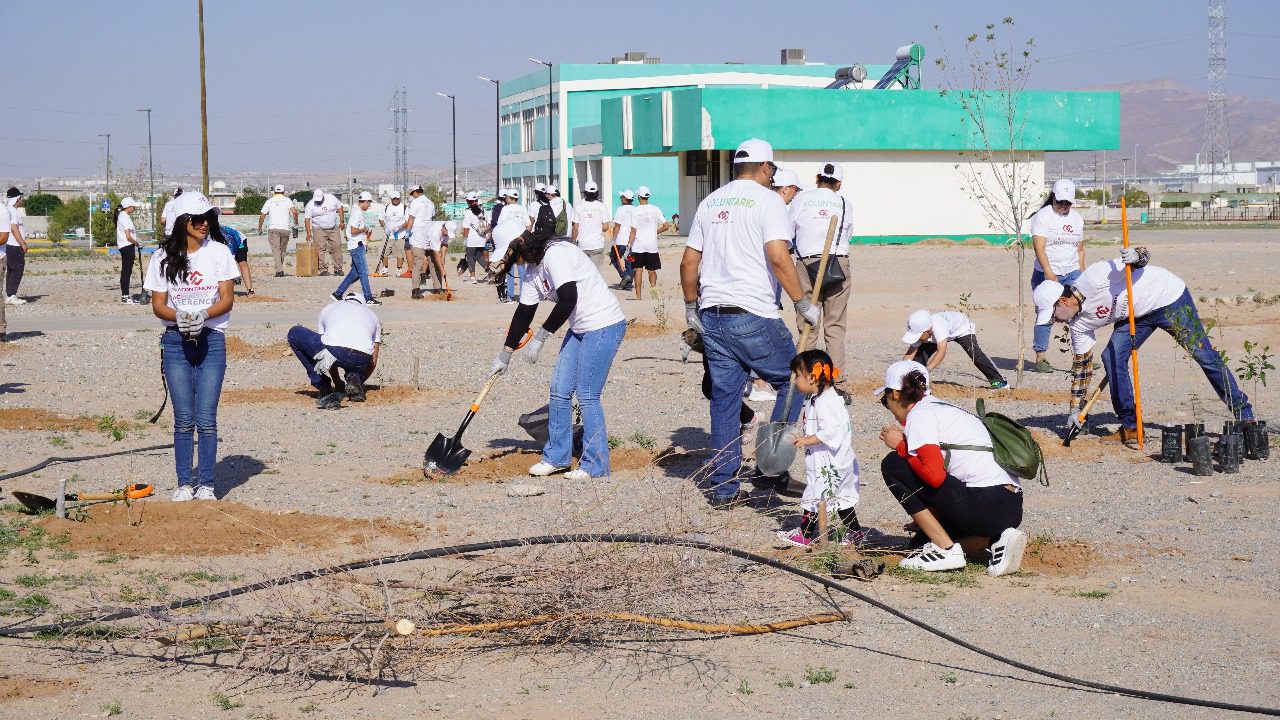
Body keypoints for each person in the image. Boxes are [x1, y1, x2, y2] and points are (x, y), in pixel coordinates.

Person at [681, 138, 819, 506]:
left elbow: (688, 262)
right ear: (764, 168)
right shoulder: (769, 201)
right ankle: (769, 469)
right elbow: (777, 257)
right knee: (795, 384)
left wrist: (690, 306)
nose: (772, 175)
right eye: (772, 169)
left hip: (713, 315)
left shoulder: (711, 201)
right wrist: (801, 302)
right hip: (753, 314)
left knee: (724, 402)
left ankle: (724, 489)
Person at [1034, 249, 1254, 443]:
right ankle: (1131, 426)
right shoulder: (1078, 325)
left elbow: (1142, 256)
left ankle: (1244, 415)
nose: (1056, 322)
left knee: (1204, 355)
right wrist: (1075, 408)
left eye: (1053, 316)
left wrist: (1137, 256)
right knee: (1112, 357)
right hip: (1136, 317)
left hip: (1168, 298)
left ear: (1063, 301)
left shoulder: (1094, 277)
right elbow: (1082, 368)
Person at [490, 214, 626, 481]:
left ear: (519, 245)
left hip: (604, 324)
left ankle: (596, 465)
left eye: (508, 255)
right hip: (580, 328)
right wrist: (505, 354)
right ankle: (557, 457)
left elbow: (568, 299)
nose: (509, 263)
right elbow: (523, 314)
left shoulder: (557, 254)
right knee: (559, 389)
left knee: (587, 394)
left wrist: (542, 336)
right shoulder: (531, 270)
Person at [875, 361, 1027, 576]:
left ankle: (946, 550)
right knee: (918, 547)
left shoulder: (921, 415)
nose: (888, 405)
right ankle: (995, 539)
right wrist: (929, 516)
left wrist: (901, 446)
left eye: (885, 399)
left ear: (896, 395)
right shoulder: (943, 408)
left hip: (986, 504)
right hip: (1008, 505)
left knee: (893, 464)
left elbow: (935, 477)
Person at [142, 191, 239, 502]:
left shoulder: (221, 253)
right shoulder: (161, 258)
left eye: (207, 218)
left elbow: (227, 298)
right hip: (175, 342)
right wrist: (181, 317)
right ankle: (184, 483)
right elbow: (158, 305)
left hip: (212, 340)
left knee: (206, 419)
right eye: (197, 219)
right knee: (183, 419)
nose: (203, 224)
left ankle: (207, 485)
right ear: (182, 222)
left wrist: (202, 315)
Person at [775, 350, 863, 548]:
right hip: (836, 460)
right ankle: (855, 532)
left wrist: (807, 440)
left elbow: (832, 431)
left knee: (815, 496)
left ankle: (805, 535)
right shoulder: (821, 397)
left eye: (798, 375)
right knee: (840, 499)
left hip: (829, 462)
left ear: (813, 378)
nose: (796, 380)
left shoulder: (826, 402)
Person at [789, 163, 856, 402]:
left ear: (817, 178)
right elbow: (847, 235)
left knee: (808, 325)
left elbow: (789, 233)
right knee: (835, 327)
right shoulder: (845, 203)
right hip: (838, 264)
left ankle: (806, 380)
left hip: (807, 263)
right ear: (838, 183)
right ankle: (837, 384)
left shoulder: (801, 200)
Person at [287, 292, 382, 409]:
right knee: (356, 354)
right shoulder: (372, 316)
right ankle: (354, 378)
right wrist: (361, 382)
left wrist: (336, 382)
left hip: (334, 350)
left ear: (344, 300)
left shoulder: (329, 308)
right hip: (360, 358)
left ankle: (323, 385)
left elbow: (326, 352)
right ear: (363, 305)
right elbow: (373, 361)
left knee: (294, 333)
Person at [1029, 179, 1085, 372]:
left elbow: (1079, 249)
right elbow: (1039, 247)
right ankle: (1040, 357)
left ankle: (1080, 356)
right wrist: (1049, 273)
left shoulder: (1077, 219)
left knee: (1078, 313)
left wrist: (1081, 275)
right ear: (1053, 196)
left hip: (1071, 271)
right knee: (1046, 314)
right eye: (1060, 201)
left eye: (1067, 203)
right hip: (1047, 273)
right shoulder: (1043, 216)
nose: (1063, 206)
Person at [901, 308, 1007, 389]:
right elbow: (910, 353)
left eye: (918, 335)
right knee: (919, 356)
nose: (917, 338)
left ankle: (999, 382)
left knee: (975, 354)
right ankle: (917, 384)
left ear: (928, 330)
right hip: (937, 334)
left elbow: (941, 351)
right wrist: (902, 371)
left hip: (962, 329)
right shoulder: (923, 329)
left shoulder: (939, 327)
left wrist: (927, 370)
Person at [332, 191, 380, 305]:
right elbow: (353, 230)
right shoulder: (357, 213)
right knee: (363, 273)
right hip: (356, 246)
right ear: (365, 201)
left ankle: (338, 293)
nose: (369, 205)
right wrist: (364, 229)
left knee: (355, 274)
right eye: (369, 203)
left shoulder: (357, 211)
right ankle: (368, 298)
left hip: (357, 245)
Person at [627, 185, 669, 301]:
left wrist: (629, 245)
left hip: (638, 245)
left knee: (638, 270)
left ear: (639, 196)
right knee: (652, 270)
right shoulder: (655, 209)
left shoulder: (635, 210)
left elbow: (633, 231)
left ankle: (639, 297)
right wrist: (655, 232)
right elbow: (666, 226)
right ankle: (653, 292)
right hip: (651, 245)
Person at [400, 185, 439, 299]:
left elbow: (411, 219)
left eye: (412, 194)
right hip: (429, 234)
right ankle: (437, 288)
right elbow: (432, 218)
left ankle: (415, 290)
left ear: (416, 192)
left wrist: (407, 232)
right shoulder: (430, 203)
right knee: (433, 262)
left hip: (417, 235)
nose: (412, 196)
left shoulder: (415, 203)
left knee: (418, 262)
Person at [491, 189, 528, 303]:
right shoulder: (522, 208)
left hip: (509, 242)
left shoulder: (505, 209)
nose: (505, 198)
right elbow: (528, 225)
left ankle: (510, 296)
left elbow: (500, 225)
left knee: (510, 269)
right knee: (522, 270)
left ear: (510, 198)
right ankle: (523, 296)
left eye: (507, 197)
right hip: (521, 241)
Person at [258, 185, 298, 278]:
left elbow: (262, 216)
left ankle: (279, 271)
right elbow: (295, 212)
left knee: (276, 250)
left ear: (274, 192)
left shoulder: (269, 201)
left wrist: (260, 228)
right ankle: (280, 268)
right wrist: (296, 223)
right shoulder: (287, 200)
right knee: (283, 250)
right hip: (285, 229)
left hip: (274, 229)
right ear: (284, 192)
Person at [304, 188, 345, 276]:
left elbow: (340, 207)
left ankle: (338, 268)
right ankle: (322, 269)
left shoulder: (332, 198)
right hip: (319, 229)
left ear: (323, 197)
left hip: (333, 228)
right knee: (320, 249)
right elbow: (307, 219)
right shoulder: (310, 205)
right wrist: (308, 232)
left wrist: (342, 221)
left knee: (336, 246)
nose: (318, 202)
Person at [573, 181, 609, 267]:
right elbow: (606, 227)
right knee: (595, 274)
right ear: (597, 193)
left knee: (584, 273)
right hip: (597, 244)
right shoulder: (602, 206)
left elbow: (575, 228)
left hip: (583, 245)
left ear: (585, 193)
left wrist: (573, 241)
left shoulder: (578, 206)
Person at [376, 191, 409, 278]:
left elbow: (408, 221)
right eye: (393, 198)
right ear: (391, 199)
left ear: (399, 198)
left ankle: (398, 270)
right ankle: (385, 269)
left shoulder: (404, 208)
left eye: (397, 198)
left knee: (400, 253)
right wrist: (385, 227)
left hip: (400, 235)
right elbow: (381, 218)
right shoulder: (386, 207)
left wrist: (400, 227)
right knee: (384, 252)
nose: (395, 200)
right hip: (388, 235)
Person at [609, 189, 636, 289]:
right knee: (629, 261)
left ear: (625, 199)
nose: (620, 199)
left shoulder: (620, 210)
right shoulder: (635, 209)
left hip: (620, 240)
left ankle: (624, 275)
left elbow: (617, 226)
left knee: (614, 258)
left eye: (621, 197)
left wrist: (613, 238)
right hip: (631, 241)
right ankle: (628, 284)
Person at [5, 188, 28, 305]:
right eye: (20, 198)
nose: (21, 200)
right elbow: (14, 229)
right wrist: (22, 243)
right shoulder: (13, 211)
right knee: (17, 269)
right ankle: (11, 295)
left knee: (11, 270)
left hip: (8, 245)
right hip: (14, 245)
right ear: (17, 199)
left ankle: (9, 295)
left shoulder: (6, 210)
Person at [461, 192, 490, 283]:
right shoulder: (481, 212)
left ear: (467, 201)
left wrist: (465, 239)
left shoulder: (468, 213)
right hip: (481, 239)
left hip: (472, 239)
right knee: (479, 257)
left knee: (470, 257)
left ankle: (472, 278)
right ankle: (490, 273)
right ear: (476, 201)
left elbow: (466, 228)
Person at [221, 224, 255, 296]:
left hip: (240, 240)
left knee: (242, 262)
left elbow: (229, 261)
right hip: (229, 239)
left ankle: (250, 290)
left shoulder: (227, 239)